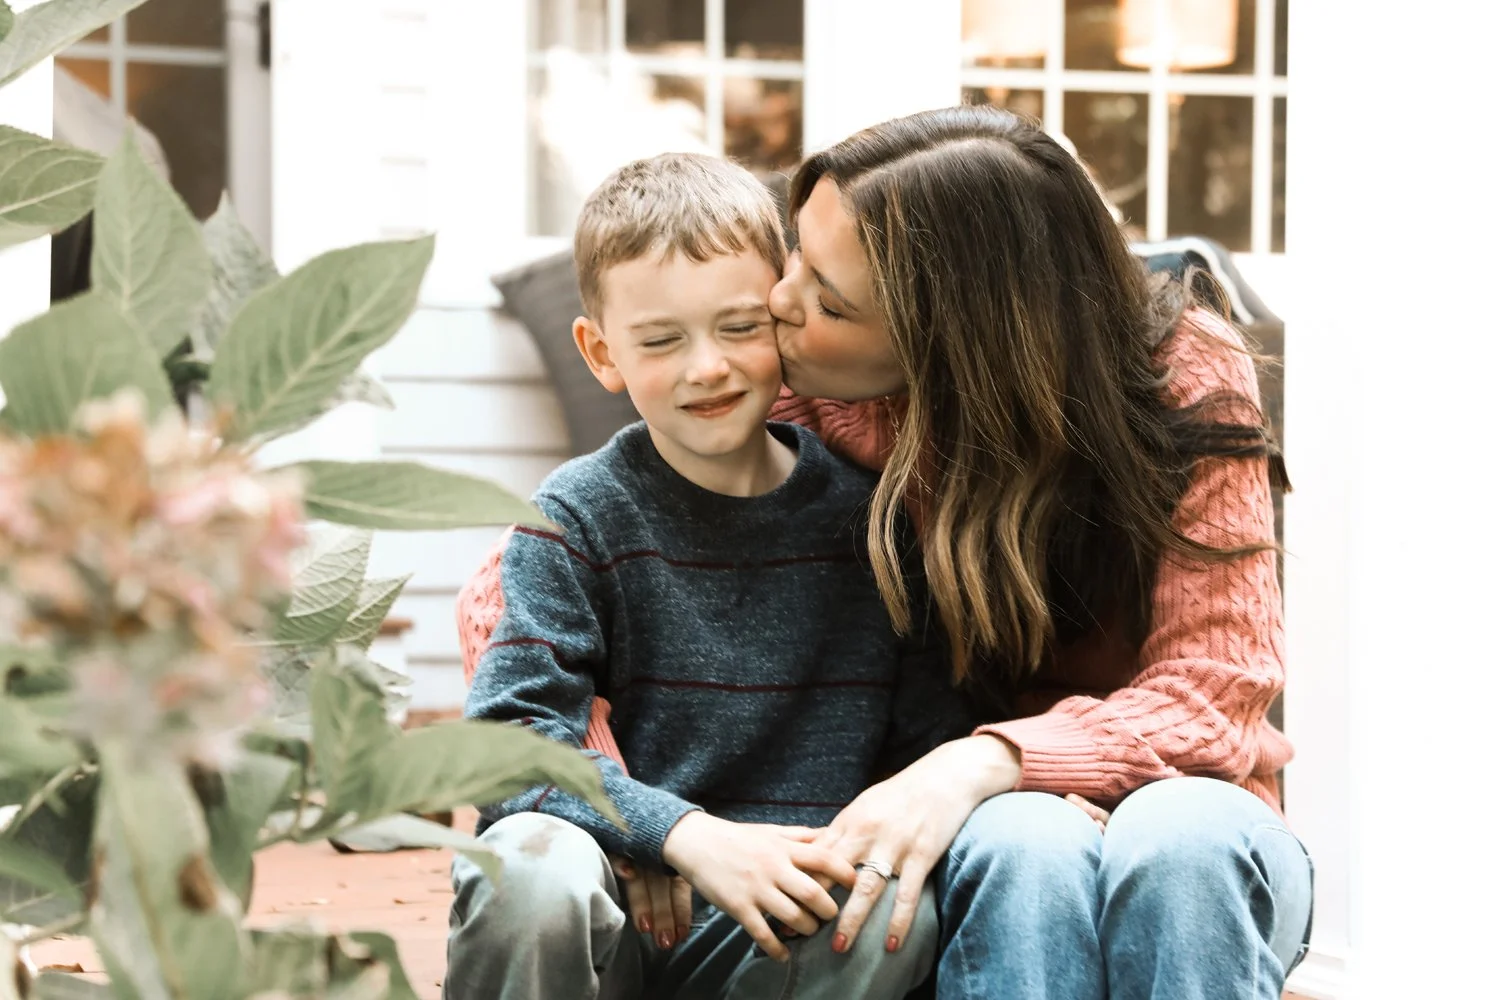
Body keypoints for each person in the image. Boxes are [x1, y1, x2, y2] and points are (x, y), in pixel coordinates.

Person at [757, 104, 1313, 999]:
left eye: (829, 300)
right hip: (989, 840)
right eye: (796, 255)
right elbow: (575, 583)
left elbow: (1214, 691)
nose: (779, 302)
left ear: (952, 340)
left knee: (1176, 846)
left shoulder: (1183, 374)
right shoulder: (790, 393)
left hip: (1195, 820)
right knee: (1026, 844)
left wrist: (987, 761)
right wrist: (646, 823)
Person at [445, 152, 964, 1000]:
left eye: (739, 327)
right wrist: (671, 832)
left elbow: (927, 749)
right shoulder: (576, 516)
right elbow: (508, 744)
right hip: (623, 903)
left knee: (892, 910)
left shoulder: (875, 525)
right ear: (602, 352)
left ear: (784, 316)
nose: (708, 367)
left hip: (784, 926)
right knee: (528, 868)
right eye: (661, 340)